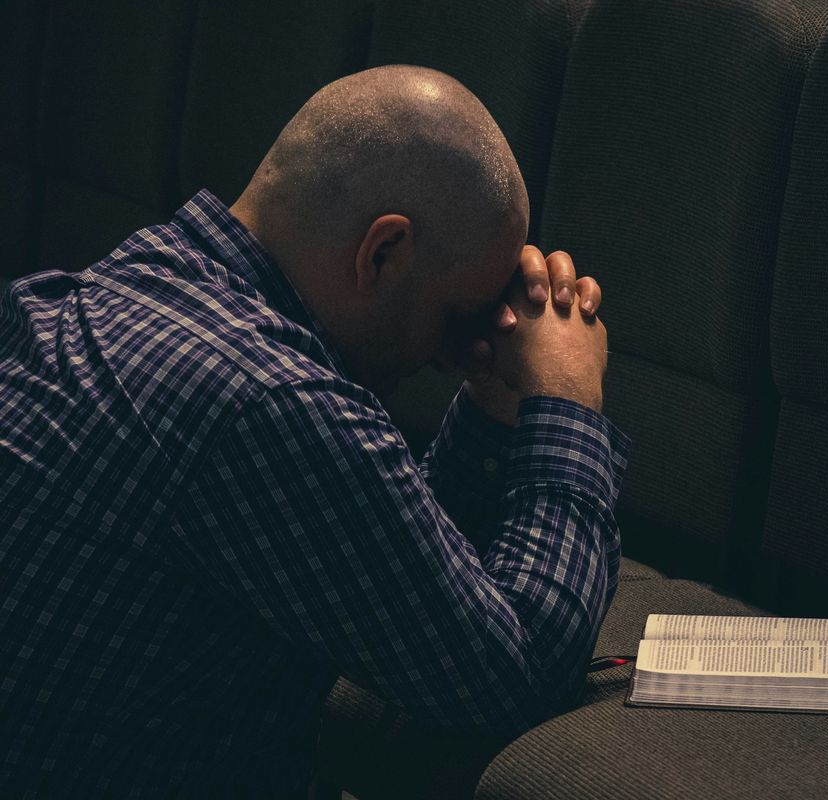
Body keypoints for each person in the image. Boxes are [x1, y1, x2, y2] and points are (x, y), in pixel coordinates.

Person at [0, 65, 629, 797]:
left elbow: (367, 559)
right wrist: (571, 400)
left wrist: (496, 402)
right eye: (456, 314)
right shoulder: (270, 403)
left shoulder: (90, 293)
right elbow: (508, 674)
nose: (442, 352)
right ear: (383, 252)